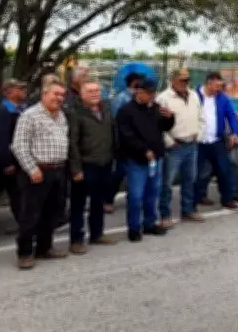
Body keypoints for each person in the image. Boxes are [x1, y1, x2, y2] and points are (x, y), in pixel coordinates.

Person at [10, 78, 70, 270]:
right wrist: (32, 168)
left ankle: (45, 247)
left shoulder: (61, 116)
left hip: (58, 170)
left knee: (52, 214)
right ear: (44, 94)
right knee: (31, 215)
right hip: (37, 172)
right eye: (55, 94)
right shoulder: (30, 115)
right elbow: (19, 146)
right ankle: (25, 253)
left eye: (62, 95)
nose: (59, 98)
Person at [116, 78, 175, 241]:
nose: (152, 96)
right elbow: (126, 135)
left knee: (153, 193)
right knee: (136, 196)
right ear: (138, 92)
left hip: (156, 158)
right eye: (149, 93)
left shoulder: (156, 108)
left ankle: (150, 223)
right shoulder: (126, 111)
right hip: (137, 160)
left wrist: (170, 118)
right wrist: (143, 150)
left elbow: (165, 128)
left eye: (153, 93)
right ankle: (134, 228)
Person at [67, 81, 118, 254]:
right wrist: (76, 168)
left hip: (104, 163)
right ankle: (76, 239)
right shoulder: (75, 113)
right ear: (81, 94)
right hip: (85, 164)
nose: (95, 93)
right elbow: (72, 142)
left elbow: (112, 134)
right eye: (90, 91)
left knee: (98, 201)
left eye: (97, 90)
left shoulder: (105, 110)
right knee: (78, 204)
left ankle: (97, 234)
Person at [156, 68, 206, 226]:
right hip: (174, 147)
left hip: (192, 144)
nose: (186, 83)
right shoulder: (163, 98)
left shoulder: (194, 95)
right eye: (182, 80)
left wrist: (199, 134)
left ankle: (188, 210)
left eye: (187, 80)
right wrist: (169, 141)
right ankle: (165, 214)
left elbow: (201, 117)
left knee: (190, 179)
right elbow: (157, 125)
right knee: (167, 182)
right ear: (173, 80)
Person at [194, 72, 238, 211]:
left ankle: (227, 199)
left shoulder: (222, 98)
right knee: (198, 173)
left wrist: (234, 132)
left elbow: (231, 115)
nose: (218, 89)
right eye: (216, 86)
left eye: (220, 86)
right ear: (208, 83)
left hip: (217, 140)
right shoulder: (194, 96)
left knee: (224, 170)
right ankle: (194, 201)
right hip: (199, 141)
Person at [0, 79, 28, 225]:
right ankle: (24, 224)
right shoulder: (3, 112)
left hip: (22, 160)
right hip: (12, 162)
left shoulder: (20, 110)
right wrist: (7, 163)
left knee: (24, 193)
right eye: (20, 88)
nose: (24, 90)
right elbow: (0, 139)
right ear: (9, 92)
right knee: (17, 194)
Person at [104, 72, 145, 214]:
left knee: (133, 173)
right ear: (133, 83)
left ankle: (133, 199)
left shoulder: (140, 99)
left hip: (137, 143)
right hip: (123, 144)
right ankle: (108, 199)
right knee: (119, 173)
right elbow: (116, 122)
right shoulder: (121, 99)